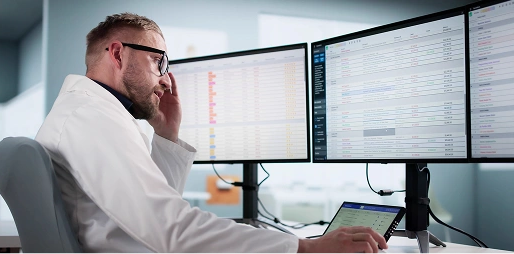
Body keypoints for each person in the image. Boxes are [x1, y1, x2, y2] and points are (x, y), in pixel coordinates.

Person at [35, 12, 388, 253]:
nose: (164, 78)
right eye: (159, 61)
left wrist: (166, 136)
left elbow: (149, 213)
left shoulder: (90, 112)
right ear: (117, 53)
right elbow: (170, 229)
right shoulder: (94, 118)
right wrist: (305, 247)